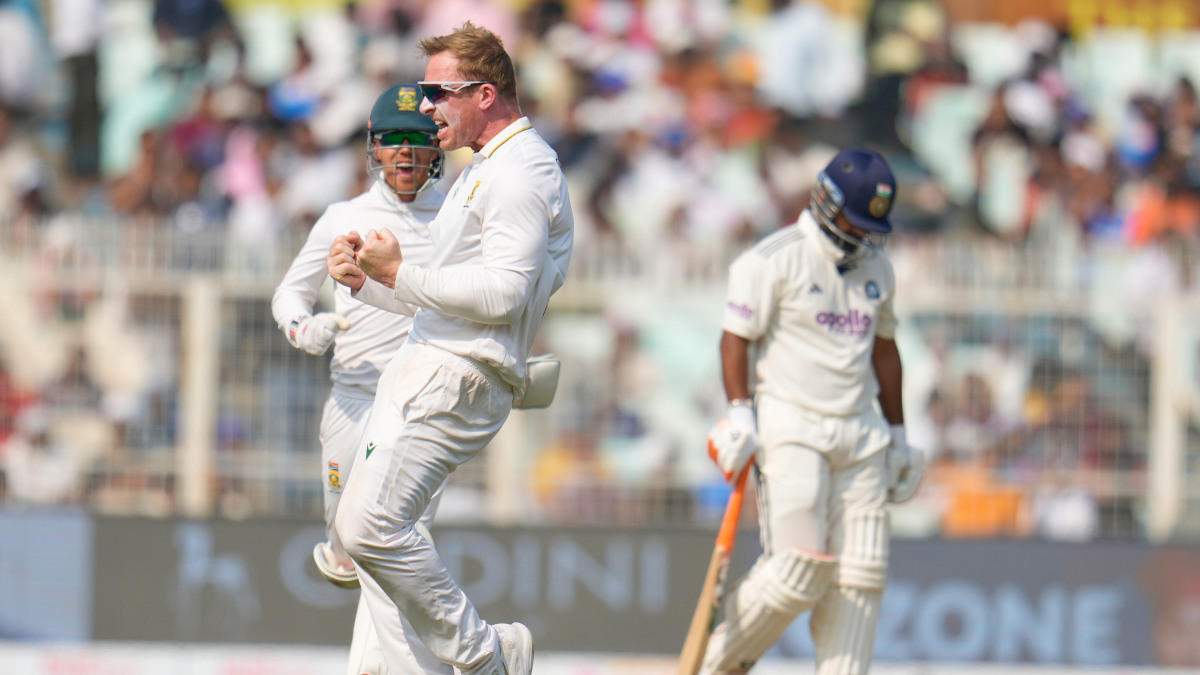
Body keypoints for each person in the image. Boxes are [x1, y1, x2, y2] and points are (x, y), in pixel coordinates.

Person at [324, 21, 573, 675]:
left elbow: (502, 296)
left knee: (371, 528)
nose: (426, 107)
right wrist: (367, 282)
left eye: (439, 93)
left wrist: (397, 274)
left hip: (459, 373)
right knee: (374, 543)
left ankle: (486, 656)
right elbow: (439, 287)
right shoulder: (483, 169)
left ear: (486, 94)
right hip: (429, 363)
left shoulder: (520, 172)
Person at [702, 147, 923, 675]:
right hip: (792, 423)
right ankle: (717, 663)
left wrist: (897, 433)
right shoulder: (772, 259)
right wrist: (740, 413)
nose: (866, 234)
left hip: (861, 431)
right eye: (858, 219)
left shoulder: (878, 269)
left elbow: (884, 351)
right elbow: (736, 340)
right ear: (826, 200)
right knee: (797, 570)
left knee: (862, 575)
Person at [271, 83, 450, 675]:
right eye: (393, 139)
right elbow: (289, 297)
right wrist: (307, 329)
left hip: (419, 406)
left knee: (391, 537)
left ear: (436, 150)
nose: (405, 152)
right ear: (374, 148)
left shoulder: (456, 217)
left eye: (419, 140)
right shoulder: (344, 218)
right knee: (351, 548)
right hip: (352, 396)